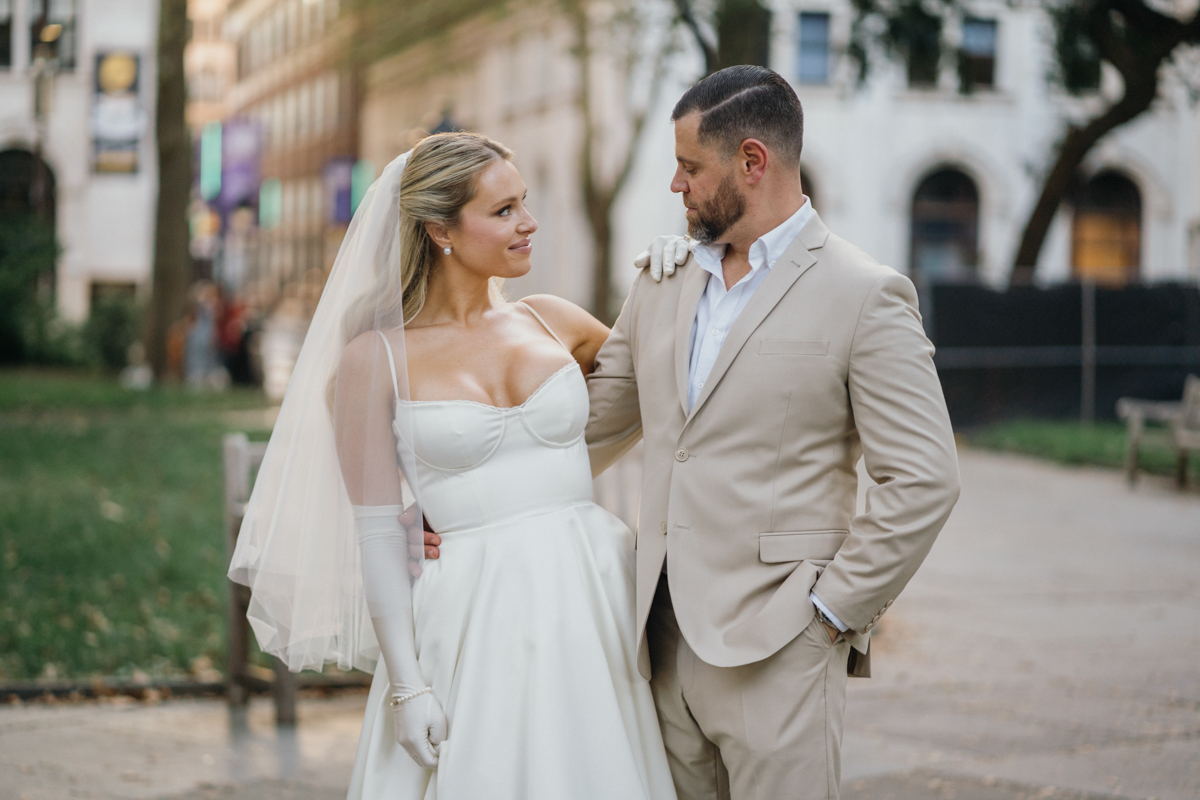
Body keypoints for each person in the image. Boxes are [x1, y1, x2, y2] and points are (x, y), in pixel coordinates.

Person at [429, 65, 960, 798]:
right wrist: (449, 504)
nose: (675, 186)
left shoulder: (865, 294)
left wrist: (832, 614)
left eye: (688, 168)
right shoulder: (665, 279)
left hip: (782, 647)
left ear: (752, 162)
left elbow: (925, 477)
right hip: (657, 647)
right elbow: (583, 424)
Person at [229, 132, 683, 800]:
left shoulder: (552, 321)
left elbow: (665, 373)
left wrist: (674, 279)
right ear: (440, 229)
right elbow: (380, 536)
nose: (528, 223)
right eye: (503, 211)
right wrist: (407, 685)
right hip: (470, 615)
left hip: (589, 596)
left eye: (524, 203)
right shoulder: (373, 359)